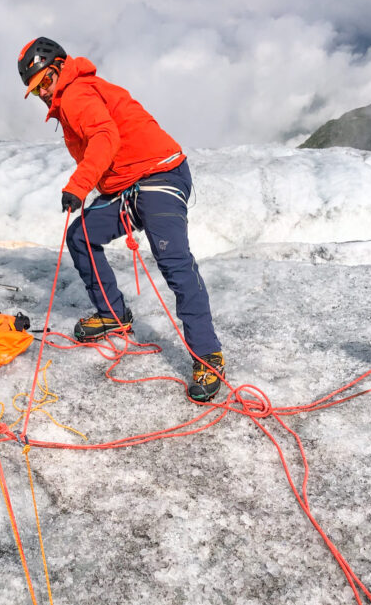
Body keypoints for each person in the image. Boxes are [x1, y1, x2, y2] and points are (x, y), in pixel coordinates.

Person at [18, 36, 225, 404]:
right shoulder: (72, 96)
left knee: (173, 262)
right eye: (37, 92)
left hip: (160, 175)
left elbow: (104, 135)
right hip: (129, 186)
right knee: (81, 235)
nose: (45, 95)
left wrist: (80, 185)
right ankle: (113, 314)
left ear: (59, 69)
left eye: (45, 84)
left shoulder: (78, 93)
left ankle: (207, 355)